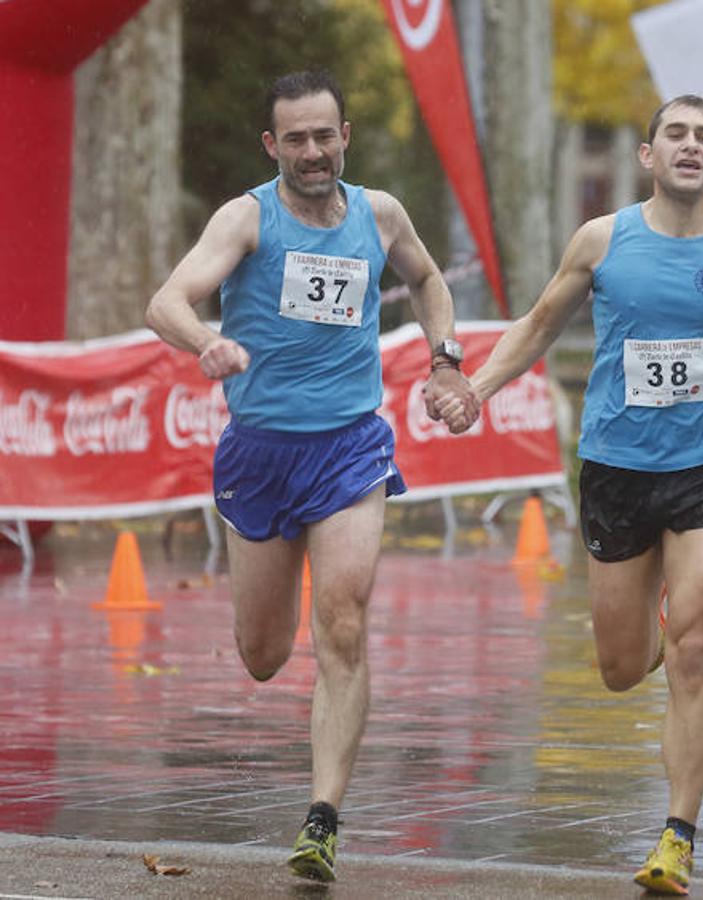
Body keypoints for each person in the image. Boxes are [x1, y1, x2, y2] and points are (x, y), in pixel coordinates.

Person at [434, 94, 703, 896]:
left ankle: (677, 837)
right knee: (623, 668)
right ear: (648, 157)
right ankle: (658, 626)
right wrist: (476, 389)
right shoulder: (602, 239)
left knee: (694, 646)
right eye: (676, 135)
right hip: (617, 469)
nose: (690, 146)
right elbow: (537, 324)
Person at [145, 70, 475, 883]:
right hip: (260, 452)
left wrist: (445, 357)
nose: (311, 151)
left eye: (323, 135)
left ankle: (322, 817)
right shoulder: (247, 217)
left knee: (343, 620)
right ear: (272, 146)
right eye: (294, 138)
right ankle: (276, 648)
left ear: (345, 136)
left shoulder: (381, 213)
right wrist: (206, 343)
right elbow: (168, 301)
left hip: (350, 448)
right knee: (263, 654)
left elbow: (430, 279)